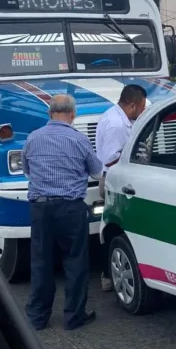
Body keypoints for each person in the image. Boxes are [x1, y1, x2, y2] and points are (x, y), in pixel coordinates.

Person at [22, 94, 103, 331]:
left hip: (40, 207)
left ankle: (37, 318)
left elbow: (28, 172)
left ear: (49, 114)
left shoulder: (32, 139)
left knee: (41, 262)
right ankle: (73, 317)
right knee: (75, 261)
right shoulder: (78, 139)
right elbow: (97, 172)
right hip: (70, 208)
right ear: (73, 114)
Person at [95, 84, 147, 292]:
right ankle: (109, 274)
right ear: (132, 105)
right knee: (117, 229)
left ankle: (110, 274)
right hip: (116, 182)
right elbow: (110, 159)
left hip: (120, 180)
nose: (143, 111)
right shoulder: (116, 124)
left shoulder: (118, 118)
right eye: (141, 107)